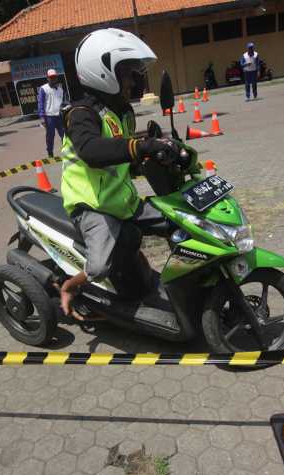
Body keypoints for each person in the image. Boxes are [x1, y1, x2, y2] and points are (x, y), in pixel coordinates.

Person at [58, 28, 187, 319]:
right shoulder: (80, 113)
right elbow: (92, 151)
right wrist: (140, 146)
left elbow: (124, 157)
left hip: (121, 200)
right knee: (100, 266)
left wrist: (155, 153)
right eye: (127, 73)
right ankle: (69, 286)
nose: (133, 80)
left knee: (179, 220)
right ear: (102, 72)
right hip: (92, 205)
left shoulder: (121, 111)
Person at [38, 69, 68, 158]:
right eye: (51, 77)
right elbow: (41, 102)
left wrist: (65, 108)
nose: (53, 79)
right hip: (49, 117)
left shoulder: (60, 90)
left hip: (59, 116)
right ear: (47, 78)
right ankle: (50, 153)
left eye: (54, 77)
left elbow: (62, 102)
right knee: (50, 136)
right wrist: (42, 117)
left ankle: (67, 150)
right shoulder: (43, 89)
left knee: (64, 135)